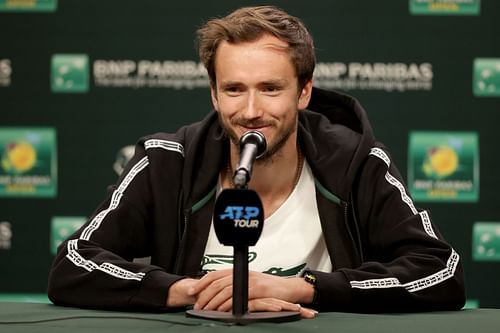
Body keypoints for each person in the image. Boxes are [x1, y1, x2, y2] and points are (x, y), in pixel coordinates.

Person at [48, 6, 465, 317]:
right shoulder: (166, 162)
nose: (250, 110)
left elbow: (440, 272)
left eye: (270, 88)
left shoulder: (358, 162)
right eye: (233, 89)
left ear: (303, 92)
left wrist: (302, 288)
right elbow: (73, 263)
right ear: (213, 94)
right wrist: (194, 292)